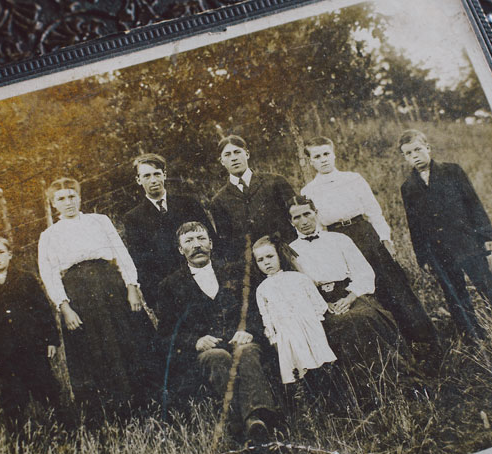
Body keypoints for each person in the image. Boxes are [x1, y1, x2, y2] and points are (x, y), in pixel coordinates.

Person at [301, 137, 437, 347]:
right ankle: (393, 343)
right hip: (338, 240)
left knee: (392, 284)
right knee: (361, 288)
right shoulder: (308, 191)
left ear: (334, 154)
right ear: (311, 161)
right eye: (317, 156)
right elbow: (318, 226)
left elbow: (374, 211)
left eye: (326, 154)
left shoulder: (352, 179)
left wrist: (385, 238)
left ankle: (424, 339)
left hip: (364, 234)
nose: (324, 160)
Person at [37, 177, 153, 422]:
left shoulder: (99, 221)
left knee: (128, 340)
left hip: (111, 285)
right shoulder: (49, 235)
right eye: (61, 199)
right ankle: (112, 413)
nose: (68, 202)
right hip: (79, 294)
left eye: (72, 196)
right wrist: (65, 307)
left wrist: (131, 287)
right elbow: (50, 275)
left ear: (79, 197)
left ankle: (145, 403)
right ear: (53, 204)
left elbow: (121, 253)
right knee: (96, 349)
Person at [156, 221, 280, 441]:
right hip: (206, 352)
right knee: (218, 357)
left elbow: (255, 309)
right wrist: (195, 341)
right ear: (180, 249)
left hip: (240, 341)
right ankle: (239, 423)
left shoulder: (235, 271)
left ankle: (258, 419)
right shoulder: (170, 285)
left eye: (201, 239)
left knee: (248, 351)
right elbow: (166, 335)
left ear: (211, 244)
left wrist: (248, 330)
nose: (196, 245)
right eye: (189, 241)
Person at [398, 129, 492, 341]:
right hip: (438, 252)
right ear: (405, 157)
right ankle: (473, 337)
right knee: (455, 295)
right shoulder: (408, 187)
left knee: (487, 287)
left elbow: (473, 204)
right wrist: (423, 257)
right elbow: (414, 225)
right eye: (408, 153)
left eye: (418, 149)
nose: (415, 156)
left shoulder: (452, 171)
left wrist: (486, 236)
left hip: (466, 243)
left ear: (428, 147)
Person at [287, 197, 409, 406]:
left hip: (351, 293)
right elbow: (298, 286)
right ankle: (359, 394)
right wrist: (324, 305)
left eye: (307, 213)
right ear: (291, 222)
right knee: (337, 326)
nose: (304, 220)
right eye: (297, 217)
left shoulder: (339, 239)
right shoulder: (290, 251)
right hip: (318, 302)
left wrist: (350, 297)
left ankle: (391, 384)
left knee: (366, 317)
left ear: (316, 213)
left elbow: (363, 272)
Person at [0, 234, 62, 433]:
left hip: (33, 347)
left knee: (47, 388)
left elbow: (43, 310)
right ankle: (20, 440)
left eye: (1, 252)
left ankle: (63, 429)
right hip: (2, 354)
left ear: (10, 255)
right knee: (11, 397)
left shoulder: (25, 279)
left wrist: (51, 340)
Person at [121, 153, 214, 309]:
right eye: (147, 176)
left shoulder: (188, 203)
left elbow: (211, 240)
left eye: (157, 174)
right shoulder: (133, 218)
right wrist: (155, 299)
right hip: (170, 291)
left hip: (204, 279)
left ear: (164, 175)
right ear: (138, 180)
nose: (153, 180)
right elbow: (141, 262)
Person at [253, 235, 336, 385]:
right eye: (260, 260)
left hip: (310, 328)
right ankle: (311, 398)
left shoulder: (299, 278)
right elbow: (266, 316)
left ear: (279, 256)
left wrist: (314, 321)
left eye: (270, 256)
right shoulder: (262, 290)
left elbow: (318, 304)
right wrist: (273, 336)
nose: (266, 262)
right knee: (300, 371)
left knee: (322, 366)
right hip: (287, 334)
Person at [209, 134, 296, 263]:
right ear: (222, 161)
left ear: (247, 154)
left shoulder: (275, 181)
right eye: (227, 155)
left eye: (237, 152)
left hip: (287, 254)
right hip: (252, 264)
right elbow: (227, 242)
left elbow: (297, 216)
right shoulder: (218, 201)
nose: (234, 158)